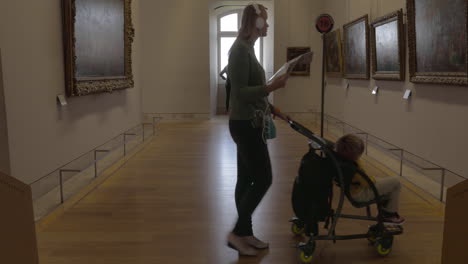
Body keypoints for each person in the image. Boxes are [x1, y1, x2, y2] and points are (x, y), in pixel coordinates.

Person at [226, 3, 295, 256]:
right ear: (254, 23)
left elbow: (254, 94)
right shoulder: (239, 51)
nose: (267, 25)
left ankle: (245, 233)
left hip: (251, 122)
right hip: (245, 125)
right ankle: (236, 233)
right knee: (264, 178)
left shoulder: (249, 50)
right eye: (264, 21)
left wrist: (276, 111)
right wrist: (272, 87)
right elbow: (240, 93)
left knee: (246, 179)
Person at [335, 134, 405, 225]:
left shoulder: (343, 160)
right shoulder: (354, 166)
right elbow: (367, 183)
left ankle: (386, 210)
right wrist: (374, 179)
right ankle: (389, 214)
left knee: (386, 182)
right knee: (396, 182)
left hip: (353, 190)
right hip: (360, 194)